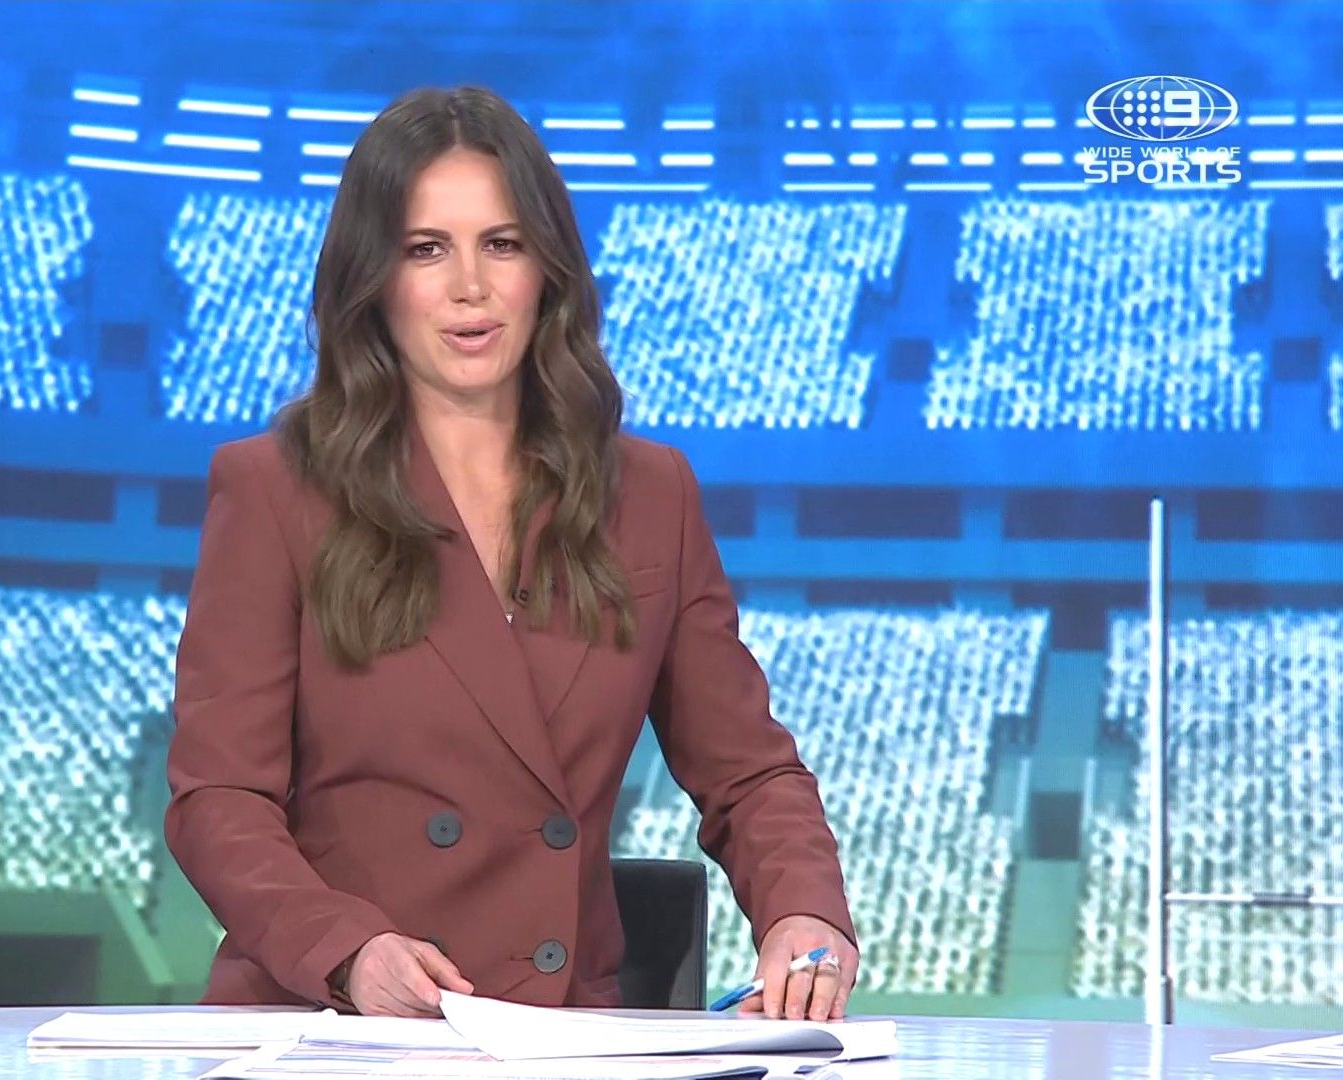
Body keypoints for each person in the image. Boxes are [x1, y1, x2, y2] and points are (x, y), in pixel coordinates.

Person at [165, 84, 857, 1022]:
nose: (470, 288)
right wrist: (348, 952)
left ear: (548, 269)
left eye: (502, 244)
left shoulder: (651, 496)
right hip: (332, 1025)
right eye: (426, 249)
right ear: (374, 277)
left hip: (557, 1032)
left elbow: (750, 775)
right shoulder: (276, 487)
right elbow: (218, 800)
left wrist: (805, 917)